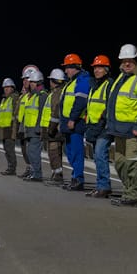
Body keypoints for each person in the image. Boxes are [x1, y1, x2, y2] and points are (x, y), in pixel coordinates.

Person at [105, 43, 137, 206]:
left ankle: (133, 196)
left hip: (133, 131)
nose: (127, 63)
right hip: (118, 130)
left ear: (136, 60)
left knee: (133, 164)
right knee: (120, 163)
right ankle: (128, 192)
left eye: (130, 60)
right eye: (124, 60)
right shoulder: (121, 78)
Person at [84, 55, 114, 198]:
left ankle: (104, 186)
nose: (96, 70)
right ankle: (100, 186)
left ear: (106, 69)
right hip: (94, 126)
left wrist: (102, 121)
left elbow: (109, 106)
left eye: (100, 67)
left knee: (100, 154)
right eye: (95, 67)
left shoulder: (109, 85)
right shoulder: (94, 86)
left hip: (105, 127)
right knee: (97, 157)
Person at [59, 53, 91, 191]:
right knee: (70, 151)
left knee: (76, 152)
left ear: (75, 67)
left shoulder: (82, 80)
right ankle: (75, 178)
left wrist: (72, 119)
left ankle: (78, 179)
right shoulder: (72, 82)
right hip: (68, 122)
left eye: (68, 67)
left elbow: (81, 102)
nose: (66, 71)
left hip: (76, 122)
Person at [42, 68, 67, 186]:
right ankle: (56, 174)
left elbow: (54, 112)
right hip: (55, 127)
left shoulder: (56, 94)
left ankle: (57, 176)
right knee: (55, 152)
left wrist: (51, 128)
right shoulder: (55, 93)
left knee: (54, 153)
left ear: (54, 81)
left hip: (55, 129)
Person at [21, 70, 48, 182]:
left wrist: (39, 128)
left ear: (39, 82)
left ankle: (37, 174)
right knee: (30, 152)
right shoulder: (32, 96)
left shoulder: (42, 95)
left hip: (36, 129)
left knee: (33, 152)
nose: (30, 84)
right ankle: (34, 172)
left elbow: (42, 113)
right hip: (29, 129)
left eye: (33, 82)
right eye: (30, 82)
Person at [16, 65, 39, 178]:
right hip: (23, 126)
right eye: (24, 79)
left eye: (27, 79)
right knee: (24, 150)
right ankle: (29, 168)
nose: (25, 82)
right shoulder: (24, 96)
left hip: (32, 126)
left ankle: (34, 171)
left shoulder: (35, 95)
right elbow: (17, 111)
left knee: (31, 150)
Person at [0, 77, 21, 176]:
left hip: (10, 128)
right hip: (3, 129)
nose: (6, 89)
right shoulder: (4, 100)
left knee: (10, 149)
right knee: (6, 150)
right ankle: (10, 167)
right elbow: (1, 114)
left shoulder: (14, 98)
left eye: (8, 87)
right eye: (5, 87)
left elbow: (16, 114)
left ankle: (12, 168)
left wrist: (15, 128)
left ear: (12, 88)